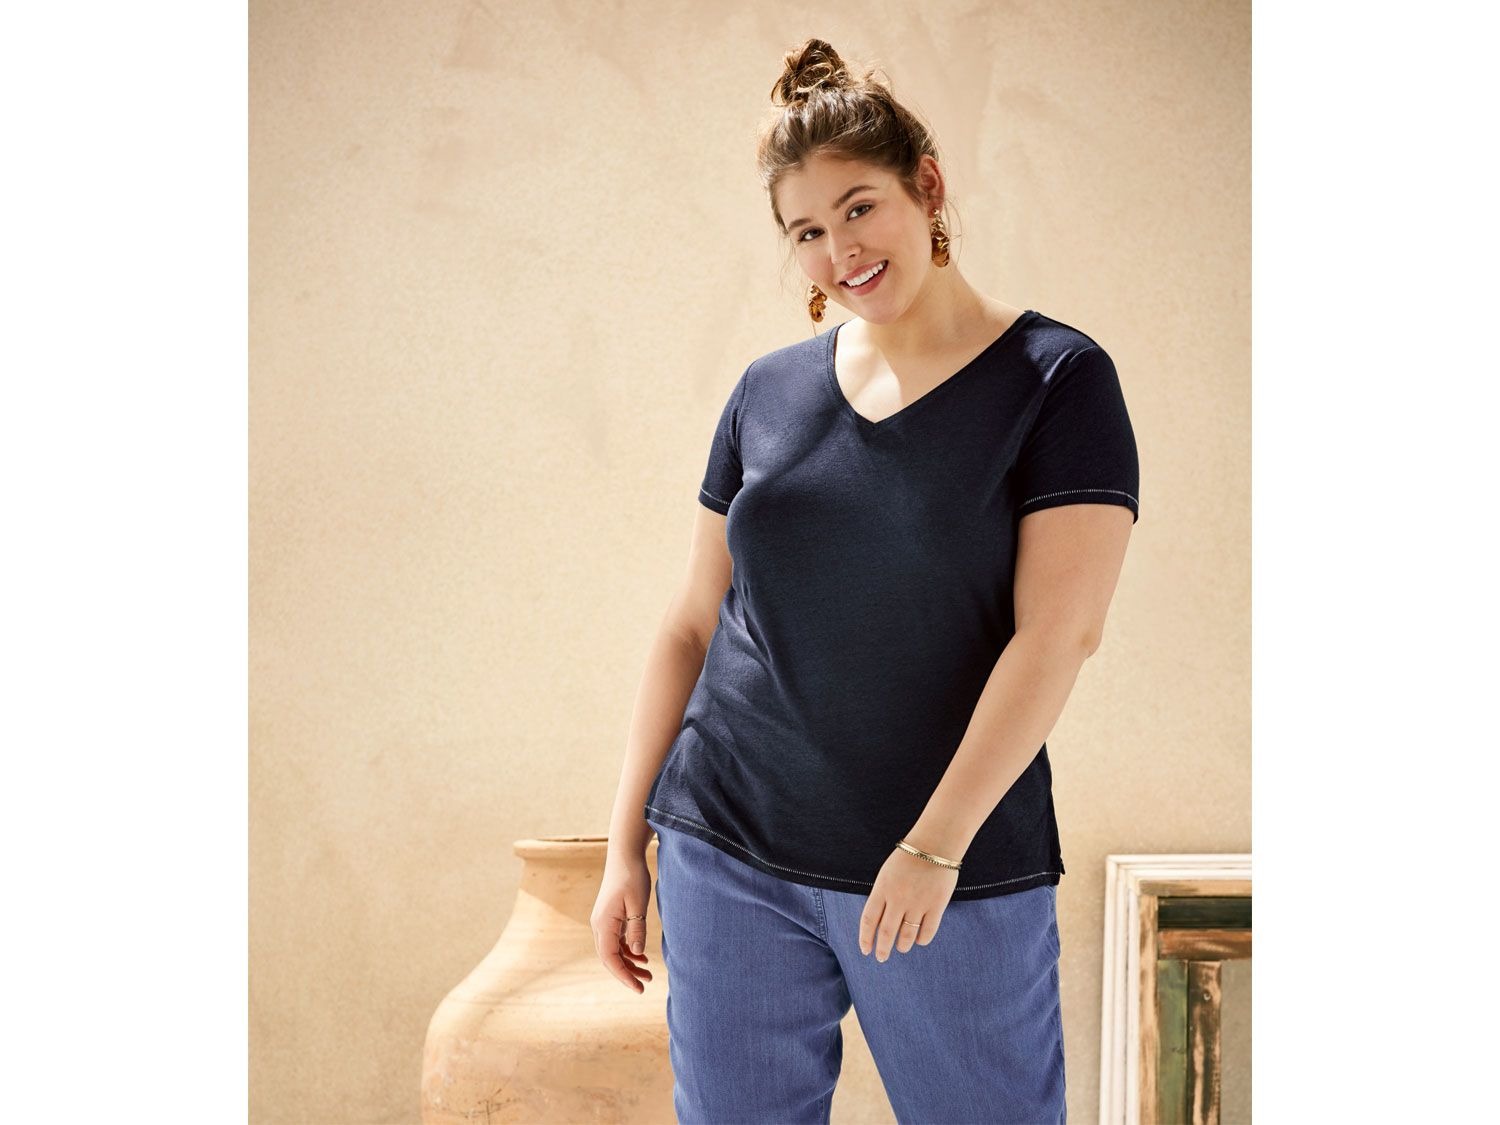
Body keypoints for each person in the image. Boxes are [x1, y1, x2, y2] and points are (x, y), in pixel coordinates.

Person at [591, 37, 1139, 1125]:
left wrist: (937, 844)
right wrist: (625, 846)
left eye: (859, 208)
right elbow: (694, 623)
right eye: (806, 231)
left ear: (925, 187)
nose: (839, 250)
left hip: (942, 867)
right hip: (728, 846)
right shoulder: (766, 392)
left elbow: (1058, 635)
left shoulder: (1056, 381)